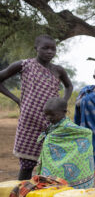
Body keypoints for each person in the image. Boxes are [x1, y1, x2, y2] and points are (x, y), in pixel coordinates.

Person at [0, 35, 73, 180]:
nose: (49, 52)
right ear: (36, 49)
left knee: (51, 163)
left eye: (53, 49)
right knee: (27, 165)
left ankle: (42, 196)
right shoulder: (24, 65)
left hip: (52, 123)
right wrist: (17, 100)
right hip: (29, 122)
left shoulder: (58, 70)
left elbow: (69, 86)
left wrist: (62, 102)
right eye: (45, 48)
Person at [37, 97, 95, 189]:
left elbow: (87, 133)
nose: (48, 118)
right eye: (46, 115)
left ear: (64, 112)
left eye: (52, 115)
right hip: (51, 167)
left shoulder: (70, 128)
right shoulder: (52, 128)